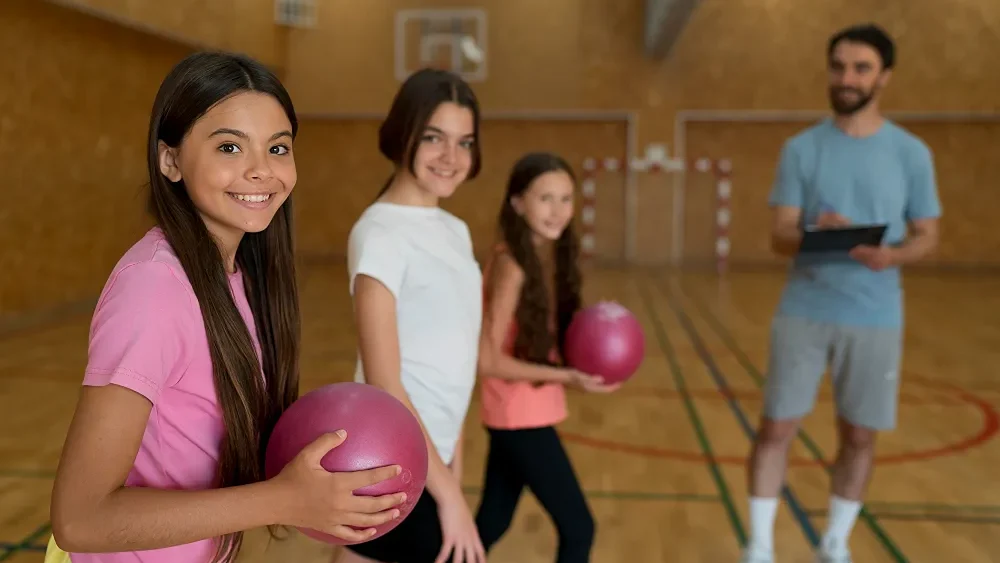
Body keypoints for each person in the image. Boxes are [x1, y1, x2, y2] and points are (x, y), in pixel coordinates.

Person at [46, 51, 406, 563]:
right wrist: (281, 498)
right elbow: (81, 519)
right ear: (169, 159)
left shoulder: (237, 274)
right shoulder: (154, 289)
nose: (261, 170)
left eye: (278, 148)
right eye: (230, 147)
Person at [740, 24, 941, 563]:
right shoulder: (800, 150)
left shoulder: (911, 154)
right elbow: (779, 236)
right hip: (804, 308)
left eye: (860, 68)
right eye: (838, 67)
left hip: (877, 315)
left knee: (859, 435)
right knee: (776, 426)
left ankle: (835, 542)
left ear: (884, 77)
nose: (846, 78)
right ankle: (759, 545)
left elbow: (927, 235)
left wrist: (891, 256)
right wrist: (814, 232)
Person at [337, 68, 486, 563]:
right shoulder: (380, 233)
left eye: (464, 142)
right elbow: (385, 383)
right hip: (392, 458)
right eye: (433, 138)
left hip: (434, 461)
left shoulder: (456, 231)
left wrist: (452, 475)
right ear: (404, 134)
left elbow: (456, 367)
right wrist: (449, 498)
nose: (451, 157)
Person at [473, 152, 620, 562]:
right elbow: (487, 361)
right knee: (579, 529)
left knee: (490, 524)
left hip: (517, 414)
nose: (558, 211)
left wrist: (595, 338)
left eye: (566, 199)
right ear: (518, 203)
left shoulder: (538, 257)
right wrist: (568, 378)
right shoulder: (512, 265)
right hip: (520, 417)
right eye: (545, 198)